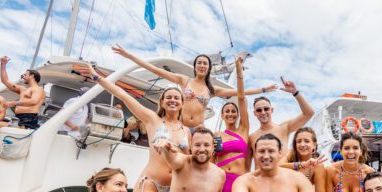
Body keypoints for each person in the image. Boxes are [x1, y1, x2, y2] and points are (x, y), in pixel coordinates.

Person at [84, 63, 191, 192]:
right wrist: (98, 78)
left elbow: (188, 160)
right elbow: (124, 96)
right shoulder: (152, 120)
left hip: (174, 187)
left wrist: (176, 151)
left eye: (176, 98)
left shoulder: (186, 131)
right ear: (162, 102)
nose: (172, 100)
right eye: (168, 97)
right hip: (150, 183)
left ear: (182, 103)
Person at [111, 45, 276, 128]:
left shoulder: (212, 90)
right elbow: (154, 69)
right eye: (200, 63)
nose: (202, 65)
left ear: (208, 67)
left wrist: (263, 90)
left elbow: (241, 92)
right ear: (195, 66)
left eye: (205, 63)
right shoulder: (184, 80)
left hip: (199, 129)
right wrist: (129, 56)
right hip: (179, 126)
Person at [214, 53, 250, 192]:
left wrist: (238, 70)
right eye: (227, 111)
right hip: (219, 178)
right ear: (222, 115)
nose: (230, 114)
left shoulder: (243, 129)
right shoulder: (216, 134)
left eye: (233, 111)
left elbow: (241, 98)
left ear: (237, 114)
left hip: (238, 179)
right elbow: (210, 161)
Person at [248, 78, 315, 156]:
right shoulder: (251, 138)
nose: (263, 112)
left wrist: (295, 93)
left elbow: (309, 113)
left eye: (266, 109)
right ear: (255, 113)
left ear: (271, 110)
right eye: (259, 110)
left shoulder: (284, 128)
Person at [281, 127, 330, 192]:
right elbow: (277, 166)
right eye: (299, 141)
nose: (302, 144)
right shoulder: (291, 154)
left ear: (314, 145)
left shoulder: (317, 166)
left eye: (306, 141)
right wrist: (301, 164)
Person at [0, 56, 45, 129]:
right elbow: (5, 81)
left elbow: (34, 101)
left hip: (29, 118)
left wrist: (14, 103)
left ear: (32, 76)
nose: (22, 77)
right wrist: (3, 65)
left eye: (24, 75)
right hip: (18, 117)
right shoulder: (22, 89)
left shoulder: (38, 89)